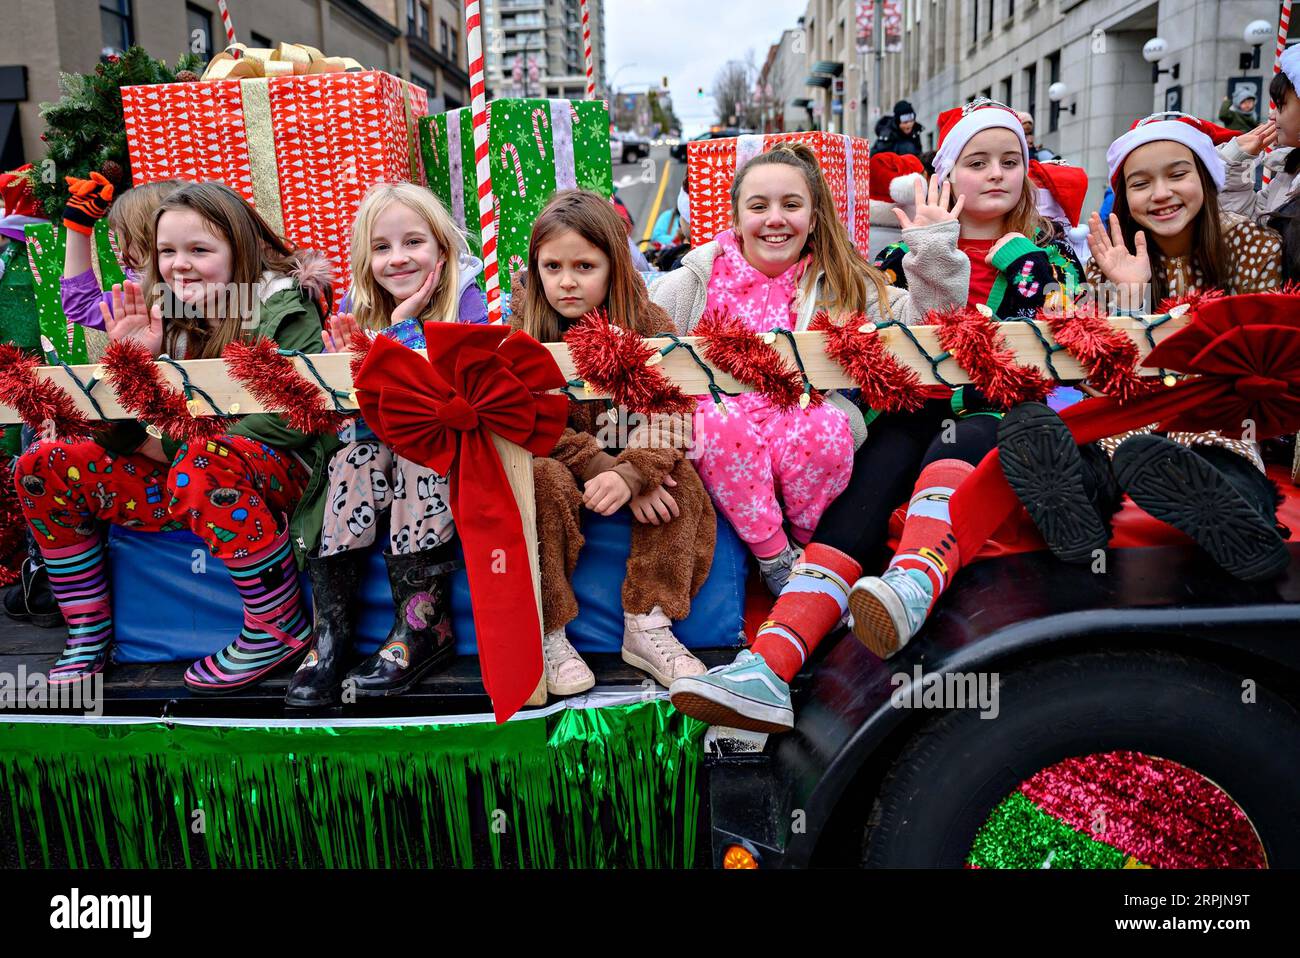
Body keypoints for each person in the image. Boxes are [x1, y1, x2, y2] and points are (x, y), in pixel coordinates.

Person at [669, 102, 1080, 732]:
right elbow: (911, 325)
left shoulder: (1045, 257)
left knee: (954, 440)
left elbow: (989, 332)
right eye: (977, 162)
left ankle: (914, 582)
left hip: (991, 406)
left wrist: (961, 252)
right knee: (873, 472)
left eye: (1010, 162)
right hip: (909, 405)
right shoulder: (876, 264)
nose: (995, 175)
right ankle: (769, 669)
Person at [14, 182, 339, 691]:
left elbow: (291, 417)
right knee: (44, 463)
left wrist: (161, 445)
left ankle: (277, 626)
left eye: (199, 250)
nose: (179, 265)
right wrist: (128, 365)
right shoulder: (161, 314)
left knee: (205, 458)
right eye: (167, 251)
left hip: (274, 477)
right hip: (185, 473)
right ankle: (88, 630)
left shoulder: (281, 308)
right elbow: (127, 432)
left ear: (241, 251)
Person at [650, 142, 965, 596]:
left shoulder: (841, 283)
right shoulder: (690, 285)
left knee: (823, 422)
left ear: (813, 218)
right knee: (718, 418)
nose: (775, 218)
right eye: (759, 206)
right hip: (718, 453)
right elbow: (635, 347)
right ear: (736, 220)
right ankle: (776, 560)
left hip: (809, 464)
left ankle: (807, 552)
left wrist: (933, 250)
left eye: (791, 205)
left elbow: (929, 327)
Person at [999, 112, 1287, 583]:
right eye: (1141, 183)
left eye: (1177, 175)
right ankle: (1078, 517)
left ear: (1205, 177)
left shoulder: (1253, 246)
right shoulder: (1106, 259)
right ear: (1125, 196)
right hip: (1130, 411)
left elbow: (1262, 355)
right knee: (1102, 448)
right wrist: (1130, 297)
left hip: (1215, 409)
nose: (1160, 194)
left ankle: (1242, 523)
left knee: (1224, 452)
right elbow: (1099, 368)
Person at [285, 183, 486, 707]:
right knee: (351, 461)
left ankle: (423, 628)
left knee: (416, 460)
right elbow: (350, 411)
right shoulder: (356, 307)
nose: (397, 259)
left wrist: (401, 335)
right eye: (381, 247)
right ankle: (331, 634)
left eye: (413, 242)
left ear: (442, 248)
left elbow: (448, 407)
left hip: (451, 449)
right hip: (378, 445)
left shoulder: (468, 300)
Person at [516, 189, 715, 693]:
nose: (566, 281)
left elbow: (674, 407)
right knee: (537, 479)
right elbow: (526, 419)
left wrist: (635, 472)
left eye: (585, 266)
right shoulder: (525, 330)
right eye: (552, 266)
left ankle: (648, 624)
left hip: (631, 456)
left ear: (613, 265)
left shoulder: (647, 324)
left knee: (683, 483)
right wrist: (598, 465)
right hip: (564, 465)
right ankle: (549, 630)